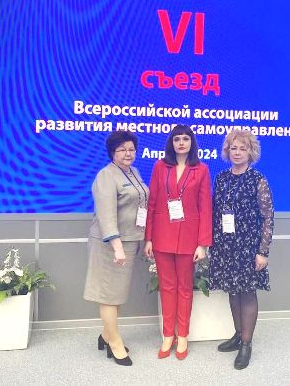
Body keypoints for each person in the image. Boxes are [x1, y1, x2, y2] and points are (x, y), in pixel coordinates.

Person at [144, 124, 212, 360]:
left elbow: (205, 208)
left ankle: (182, 336)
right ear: (171, 143)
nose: (181, 143)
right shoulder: (160, 167)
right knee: (167, 287)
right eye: (177, 139)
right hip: (162, 235)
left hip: (189, 238)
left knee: (184, 288)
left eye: (185, 139)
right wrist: (148, 238)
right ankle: (167, 336)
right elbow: (152, 203)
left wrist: (202, 243)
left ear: (192, 143)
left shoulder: (201, 170)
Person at [210, 129, 274, 370]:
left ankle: (246, 343)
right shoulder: (221, 178)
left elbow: (267, 217)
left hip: (248, 246)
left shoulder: (258, 179)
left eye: (242, 148)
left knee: (247, 293)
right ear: (227, 151)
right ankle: (238, 334)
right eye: (233, 148)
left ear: (251, 152)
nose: (237, 152)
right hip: (225, 246)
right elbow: (216, 213)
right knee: (232, 291)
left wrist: (263, 251)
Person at [83, 131, 148, 366]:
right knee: (109, 296)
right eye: (122, 150)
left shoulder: (134, 172)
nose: (128, 153)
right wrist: (117, 246)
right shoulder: (106, 175)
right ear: (112, 152)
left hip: (130, 240)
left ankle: (105, 335)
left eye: (131, 149)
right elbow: (106, 215)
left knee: (117, 294)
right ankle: (115, 343)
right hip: (110, 244)